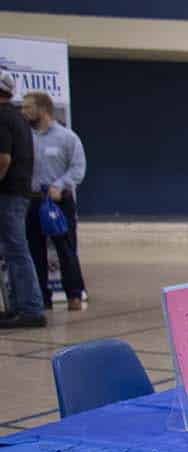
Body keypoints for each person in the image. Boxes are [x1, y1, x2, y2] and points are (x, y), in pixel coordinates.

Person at [22, 90, 87, 311]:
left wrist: (60, 185)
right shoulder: (25, 137)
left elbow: (78, 168)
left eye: (27, 107)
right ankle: (41, 296)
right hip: (32, 201)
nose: (24, 111)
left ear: (42, 109)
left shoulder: (67, 137)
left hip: (59, 202)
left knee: (66, 249)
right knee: (34, 250)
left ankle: (74, 295)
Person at [0, 69, 45, 329]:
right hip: (18, 193)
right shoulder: (17, 118)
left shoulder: (3, 117)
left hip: (8, 194)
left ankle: (29, 308)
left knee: (16, 251)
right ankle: (19, 306)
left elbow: (3, 159)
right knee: (12, 251)